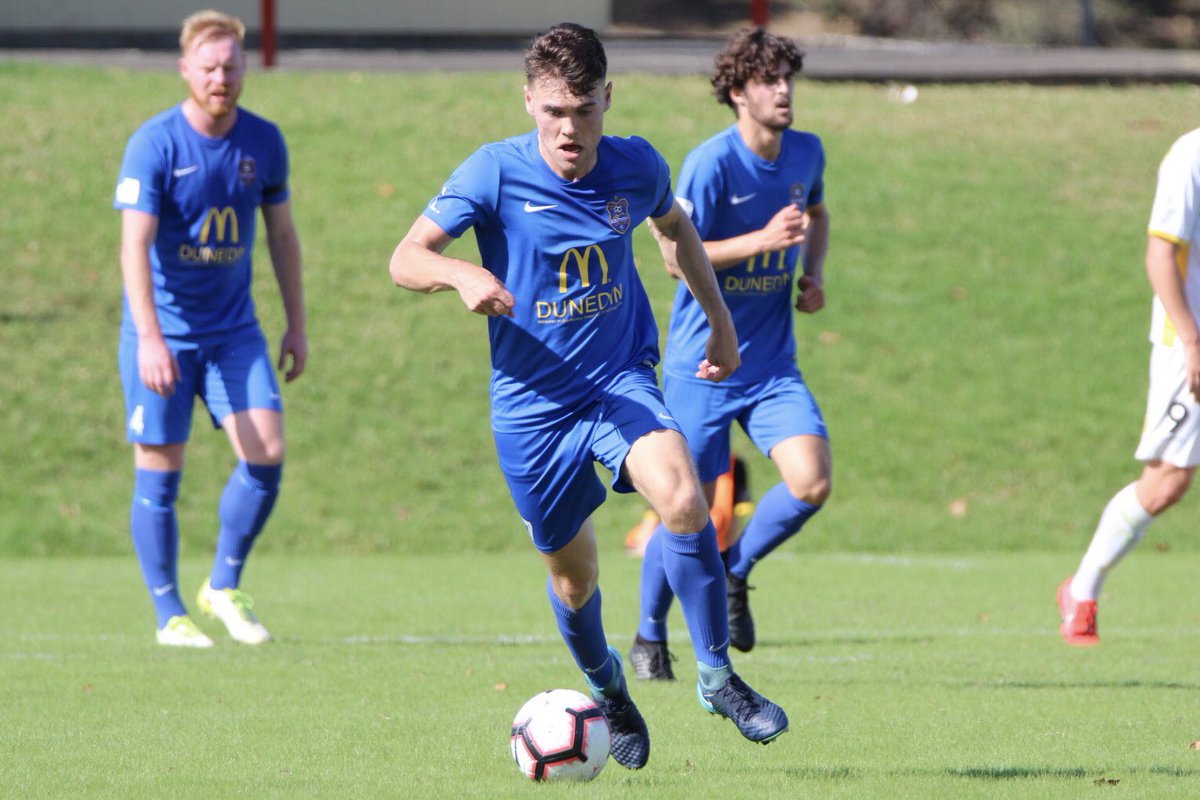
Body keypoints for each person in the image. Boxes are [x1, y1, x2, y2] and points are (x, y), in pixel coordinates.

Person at [388, 22, 789, 768]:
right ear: (530, 102)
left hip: (617, 381)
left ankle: (715, 676)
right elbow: (405, 257)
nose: (569, 130)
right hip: (532, 412)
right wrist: (461, 275)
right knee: (575, 582)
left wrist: (721, 326)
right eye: (553, 113)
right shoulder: (493, 173)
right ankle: (608, 689)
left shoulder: (635, 166)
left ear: (608, 97)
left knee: (684, 499)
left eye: (583, 110)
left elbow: (675, 232)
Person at [629, 28, 831, 681]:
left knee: (811, 480)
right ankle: (649, 634)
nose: (784, 91)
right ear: (738, 92)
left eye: (787, 78)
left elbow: (818, 215)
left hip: (771, 364)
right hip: (706, 365)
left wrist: (813, 274)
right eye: (770, 80)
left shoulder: (807, 153)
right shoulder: (710, 164)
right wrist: (761, 240)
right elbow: (669, 257)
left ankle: (736, 568)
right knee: (681, 507)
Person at [113, 9, 307, 648]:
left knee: (267, 453)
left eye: (231, 66)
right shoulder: (155, 143)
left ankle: (222, 583)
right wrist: (148, 336)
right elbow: (133, 247)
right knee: (161, 472)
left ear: (244, 68)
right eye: (209, 67)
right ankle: (170, 613)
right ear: (186, 70)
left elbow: (281, 234)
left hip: (234, 334)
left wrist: (296, 324)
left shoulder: (264, 142)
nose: (220, 77)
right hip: (164, 334)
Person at [1058, 127, 1200, 646]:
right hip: (1188, 342)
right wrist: (1191, 341)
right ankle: (1084, 586)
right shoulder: (1191, 156)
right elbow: (1160, 256)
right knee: (1167, 483)